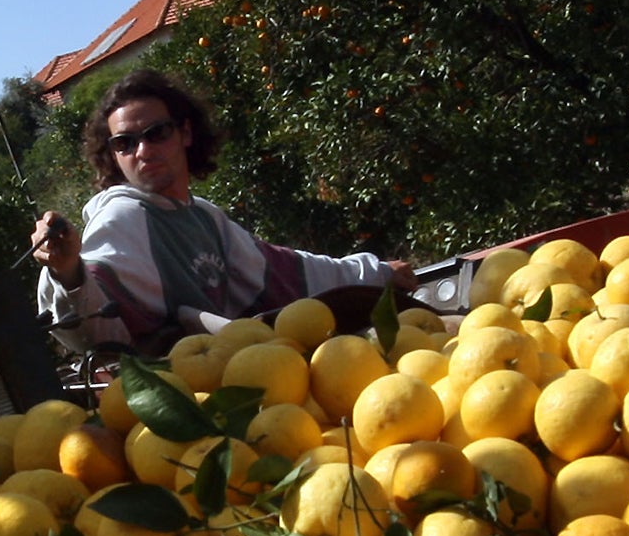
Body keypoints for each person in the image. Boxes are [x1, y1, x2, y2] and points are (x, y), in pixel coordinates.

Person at [32, 70, 416, 354]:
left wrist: (379, 273)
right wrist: (66, 271)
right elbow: (93, 325)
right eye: (125, 143)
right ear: (113, 155)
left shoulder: (203, 216)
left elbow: (289, 271)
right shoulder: (123, 219)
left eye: (156, 133)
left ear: (185, 133)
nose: (143, 151)